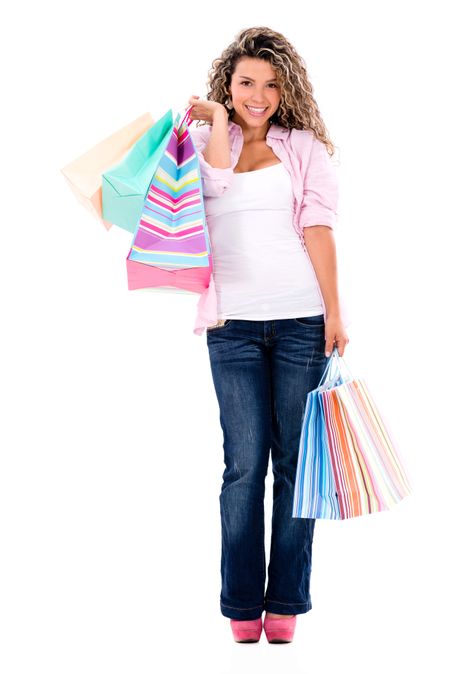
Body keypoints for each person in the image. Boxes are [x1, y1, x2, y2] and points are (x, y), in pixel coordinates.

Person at [187, 26, 350, 644]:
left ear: (287, 91)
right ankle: (239, 605)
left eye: (272, 84)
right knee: (243, 466)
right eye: (247, 82)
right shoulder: (202, 142)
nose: (259, 95)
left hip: (302, 321)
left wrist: (335, 312)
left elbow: (319, 229)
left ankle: (284, 601)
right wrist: (218, 127)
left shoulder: (303, 147)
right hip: (231, 328)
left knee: (293, 465)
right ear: (227, 84)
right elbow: (213, 187)